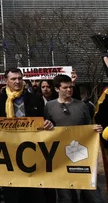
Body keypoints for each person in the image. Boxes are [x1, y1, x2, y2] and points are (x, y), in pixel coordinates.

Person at [0, 68, 53, 203]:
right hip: (8, 152)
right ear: (6, 81)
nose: (17, 81)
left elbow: (44, 119)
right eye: (13, 79)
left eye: (19, 78)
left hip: (31, 150)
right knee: (12, 192)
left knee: (34, 192)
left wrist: (48, 124)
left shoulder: (35, 99)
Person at [45, 74, 103, 203]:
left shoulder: (82, 106)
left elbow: (89, 127)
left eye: (70, 87)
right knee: (65, 194)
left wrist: (96, 130)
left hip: (82, 154)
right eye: (65, 87)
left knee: (91, 191)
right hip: (60, 156)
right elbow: (46, 129)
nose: (69, 90)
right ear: (57, 89)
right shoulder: (49, 106)